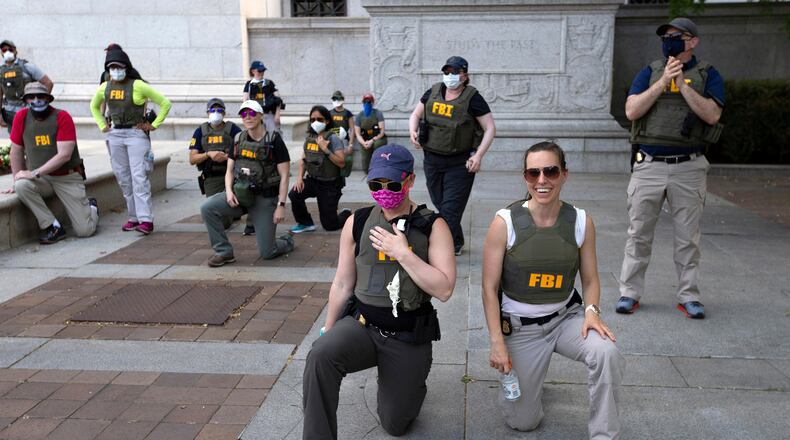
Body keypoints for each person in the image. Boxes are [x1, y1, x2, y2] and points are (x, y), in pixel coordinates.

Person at [302, 144, 456, 439]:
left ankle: (405, 383)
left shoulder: (433, 226)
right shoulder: (357, 222)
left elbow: (445, 289)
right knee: (320, 355)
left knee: (395, 424)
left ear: (409, 181)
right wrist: (329, 328)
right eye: (376, 184)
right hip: (362, 327)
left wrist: (404, 253)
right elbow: (343, 283)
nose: (384, 191)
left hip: (407, 335)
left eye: (393, 184)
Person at [482, 141, 624, 439]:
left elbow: (590, 279)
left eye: (551, 171)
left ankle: (604, 435)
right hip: (521, 329)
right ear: (525, 178)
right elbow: (489, 287)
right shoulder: (504, 222)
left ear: (564, 174)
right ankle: (528, 382)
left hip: (566, 319)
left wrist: (592, 312)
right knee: (523, 422)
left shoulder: (581, 221)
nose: (542, 180)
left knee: (606, 352)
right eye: (533, 173)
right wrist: (497, 340)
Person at [618, 17, 724, 319]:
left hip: (688, 167)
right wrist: (663, 82)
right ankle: (630, 293)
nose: (670, 41)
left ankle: (689, 296)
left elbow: (712, 115)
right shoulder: (649, 72)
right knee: (638, 233)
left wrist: (682, 86)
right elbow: (631, 110)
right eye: (666, 37)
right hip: (649, 165)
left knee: (687, 237)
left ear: (693, 42)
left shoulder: (708, 74)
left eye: (677, 36)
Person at [408, 55, 496, 255]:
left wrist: (478, 155)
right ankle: (455, 240)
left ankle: (440, 250)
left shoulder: (473, 98)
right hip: (432, 160)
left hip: (460, 163)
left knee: (449, 209)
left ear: (465, 75)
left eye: (455, 72)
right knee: (440, 202)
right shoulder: (433, 91)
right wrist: (413, 131)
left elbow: (490, 128)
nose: (450, 76)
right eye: (447, 72)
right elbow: (416, 114)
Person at [200, 100, 294, 267]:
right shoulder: (238, 139)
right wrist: (228, 191)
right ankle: (223, 252)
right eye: (244, 114)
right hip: (240, 195)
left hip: (264, 199)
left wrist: (281, 205)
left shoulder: (274, 140)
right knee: (208, 208)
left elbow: (285, 175)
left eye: (252, 113)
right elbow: (229, 170)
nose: (248, 117)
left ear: (260, 116)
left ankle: (286, 240)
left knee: (267, 253)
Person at [3, 82, 98, 244]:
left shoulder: (62, 117)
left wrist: (33, 173)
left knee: (85, 231)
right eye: (31, 97)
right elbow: (16, 151)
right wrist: (17, 177)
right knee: (21, 186)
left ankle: (92, 207)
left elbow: (64, 156)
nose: (36, 100)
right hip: (42, 179)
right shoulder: (21, 117)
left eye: (41, 96)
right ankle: (52, 226)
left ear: (48, 98)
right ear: (26, 100)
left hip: (67, 178)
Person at [89, 47, 171, 235]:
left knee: (139, 177)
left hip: (135, 134)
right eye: (111, 67)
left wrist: (153, 125)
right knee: (123, 177)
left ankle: (146, 219)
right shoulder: (105, 87)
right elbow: (93, 106)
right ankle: (133, 217)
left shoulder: (138, 85)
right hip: (115, 134)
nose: (115, 71)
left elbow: (165, 103)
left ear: (126, 67)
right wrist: (102, 124)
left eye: (118, 66)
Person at [188, 98, 250, 231]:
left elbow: (245, 152)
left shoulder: (232, 129)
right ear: (207, 112)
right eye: (213, 110)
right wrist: (208, 154)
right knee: (218, 221)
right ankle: (231, 214)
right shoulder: (201, 131)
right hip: (212, 179)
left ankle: (239, 212)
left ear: (224, 113)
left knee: (246, 200)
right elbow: (192, 159)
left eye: (219, 110)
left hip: (233, 176)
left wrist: (228, 157)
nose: (216, 112)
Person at [288, 105, 352, 234]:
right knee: (294, 194)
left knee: (330, 225)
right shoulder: (311, 137)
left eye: (320, 119)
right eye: (312, 119)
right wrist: (299, 178)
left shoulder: (333, 138)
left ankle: (346, 214)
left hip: (329, 185)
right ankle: (305, 223)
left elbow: (341, 163)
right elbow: (304, 160)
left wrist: (325, 149)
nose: (316, 122)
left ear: (327, 121)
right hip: (313, 180)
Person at [0, 40, 53, 135]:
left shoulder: (27, 67)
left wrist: (41, 104)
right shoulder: (1, 71)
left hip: (28, 110)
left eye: (10, 49)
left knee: (31, 137)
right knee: (15, 139)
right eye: (4, 50)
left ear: (15, 51)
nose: (7, 52)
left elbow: (48, 83)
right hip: (10, 112)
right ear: (1, 53)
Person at [243, 60, 282, 133]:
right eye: (259, 71)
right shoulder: (249, 84)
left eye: (263, 71)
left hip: (268, 114)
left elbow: (278, 100)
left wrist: (277, 114)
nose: (262, 73)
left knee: (274, 135)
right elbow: (245, 101)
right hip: (255, 115)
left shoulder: (269, 83)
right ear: (253, 71)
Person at [354, 93, 387, 173]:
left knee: (377, 145)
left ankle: (379, 168)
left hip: (378, 139)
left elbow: (382, 132)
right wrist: (364, 143)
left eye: (369, 101)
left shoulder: (378, 113)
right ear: (363, 103)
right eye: (365, 101)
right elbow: (357, 134)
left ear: (373, 102)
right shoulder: (359, 116)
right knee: (366, 168)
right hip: (365, 140)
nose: (367, 103)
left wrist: (372, 141)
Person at [328, 90, 356, 175]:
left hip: (344, 140)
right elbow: (327, 128)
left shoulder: (347, 113)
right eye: (335, 98)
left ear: (342, 99)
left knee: (344, 161)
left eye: (338, 98)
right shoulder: (329, 113)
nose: (337, 100)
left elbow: (352, 129)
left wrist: (351, 144)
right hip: (333, 139)